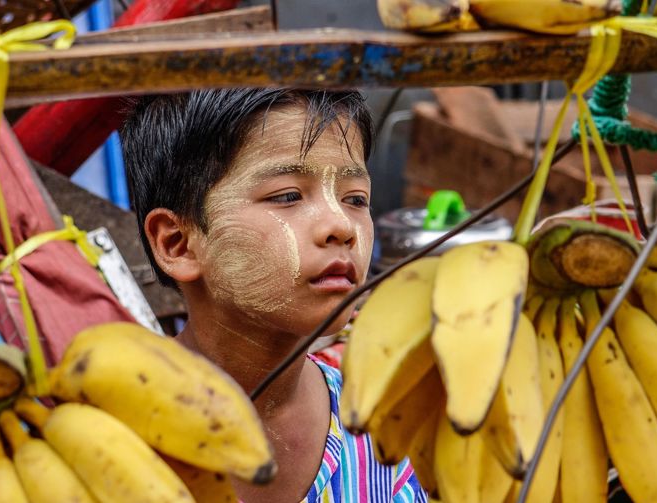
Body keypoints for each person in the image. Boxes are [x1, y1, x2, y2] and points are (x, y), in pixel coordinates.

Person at [120, 88, 428, 502]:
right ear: (178, 243)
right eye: (287, 196)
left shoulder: (384, 432)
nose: (341, 226)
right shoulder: (109, 442)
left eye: (355, 199)